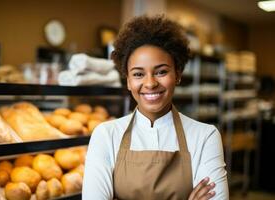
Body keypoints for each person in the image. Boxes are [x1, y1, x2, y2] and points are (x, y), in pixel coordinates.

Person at [82, 15, 229, 200]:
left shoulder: (205, 136)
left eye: (161, 72)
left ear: (178, 74)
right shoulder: (106, 135)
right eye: (138, 74)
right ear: (128, 80)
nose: (150, 83)